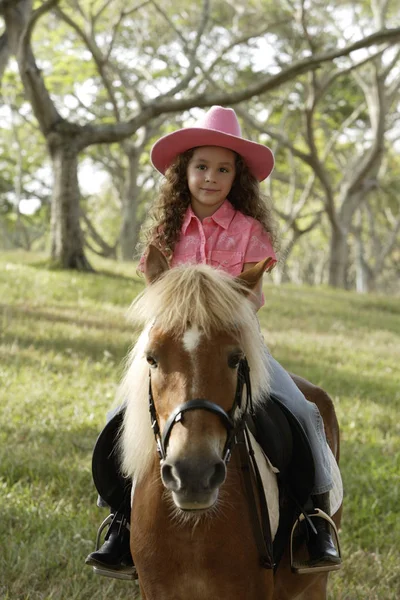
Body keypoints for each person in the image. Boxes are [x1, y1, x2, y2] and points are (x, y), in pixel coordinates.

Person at [85, 106, 341, 578]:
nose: (211, 177)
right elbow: (156, 296)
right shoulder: (167, 231)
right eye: (202, 166)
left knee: (304, 411)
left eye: (223, 169)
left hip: (233, 340)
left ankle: (314, 520)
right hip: (173, 342)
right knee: (117, 420)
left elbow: (253, 295)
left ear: (236, 177)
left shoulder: (250, 233)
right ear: (185, 171)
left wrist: (223, 308)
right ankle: (121, 523)